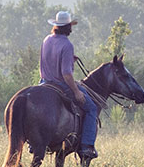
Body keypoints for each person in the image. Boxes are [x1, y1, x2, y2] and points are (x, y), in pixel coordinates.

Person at [39, 10, 100, 159]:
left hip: (44, 83)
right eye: (70, 26)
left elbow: (49, 60)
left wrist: (68, 59)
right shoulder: (67, 45)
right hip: (61, 85)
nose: (71, 29)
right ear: (67, 27)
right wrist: (77, 92)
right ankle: (87, 146)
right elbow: (66, 74)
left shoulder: (46, 39)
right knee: (92, 108)